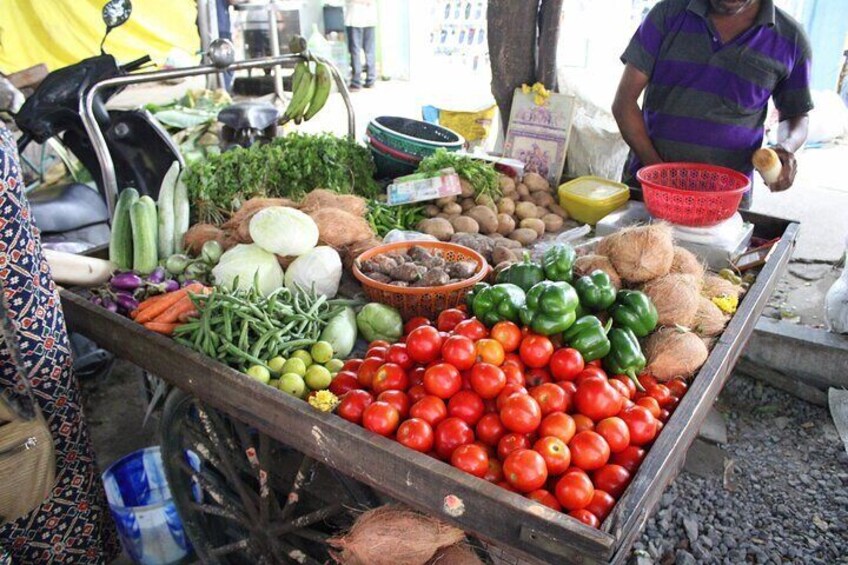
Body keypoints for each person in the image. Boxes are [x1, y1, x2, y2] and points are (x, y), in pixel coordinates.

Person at [0, 124, 120, 562]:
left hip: (34, 334)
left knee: (63, 458)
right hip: (12, 356)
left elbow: (16, 241)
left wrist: (100, 271)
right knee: (22, 477)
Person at [612, 0, 812, 207]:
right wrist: (659, 173)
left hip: (724, 202)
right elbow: (624, 103)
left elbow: (796, 114)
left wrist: (786, 146)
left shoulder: (791, 39)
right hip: (647, 191)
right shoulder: (668, 14)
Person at [345, 0, 378, 91]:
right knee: (370, 50)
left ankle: (356, 82)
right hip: (369, 18)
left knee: (355, 50)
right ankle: (370, 80)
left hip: (354, 18)